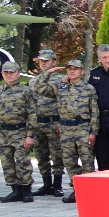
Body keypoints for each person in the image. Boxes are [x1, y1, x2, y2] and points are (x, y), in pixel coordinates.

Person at [0, 62, 37, 202]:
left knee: (22, 162)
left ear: (18, 73)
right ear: (2, 74)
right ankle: (15, 191)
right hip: (3, 132)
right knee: (7, 164)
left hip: (20, 131)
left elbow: (32, 115)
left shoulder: (26, 91)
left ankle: (26, 190)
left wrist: (30, 136)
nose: (9, 75)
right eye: (6, 72)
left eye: (12, 72)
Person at [56, 59, 98, 203]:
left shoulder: (88, 89)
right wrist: (49, 72)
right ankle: (77, 190)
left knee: (87, 160)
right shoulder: (61, 87)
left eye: (75, 68)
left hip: (83, 128)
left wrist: (93, 132)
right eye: (69, 68)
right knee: (69, 161)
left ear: (82, 71)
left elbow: (94, 112)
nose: (72, 71)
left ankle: (91, 191)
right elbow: (38, 87)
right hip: (66, 128)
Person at [30, 49, 64, 196]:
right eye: (41, 61)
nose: (43, 63)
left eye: (47, 61)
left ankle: (57, 185)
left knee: (57, 155)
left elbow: (45, 90)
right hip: (38, 123)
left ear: (54, 62)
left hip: (53, 122)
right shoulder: (33, 80)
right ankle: (46, 184)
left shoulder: (59, 80)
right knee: (41, 155)